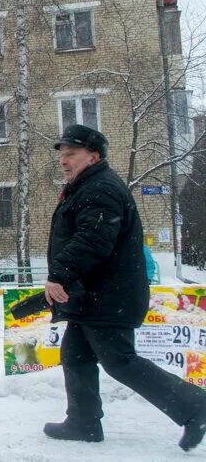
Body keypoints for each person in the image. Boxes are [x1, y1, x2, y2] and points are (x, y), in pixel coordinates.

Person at [43, 124, 206, 450]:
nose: (64, 160)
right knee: (75, 356)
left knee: (120, 361)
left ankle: (194, 406)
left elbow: (94, 239)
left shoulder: (100, 188)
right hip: (93, 296)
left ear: (94, 156)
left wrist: (59, 273)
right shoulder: (87, 186)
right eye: (62, 153)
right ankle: (83, 422)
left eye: (71, 154)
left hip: (107, 296)